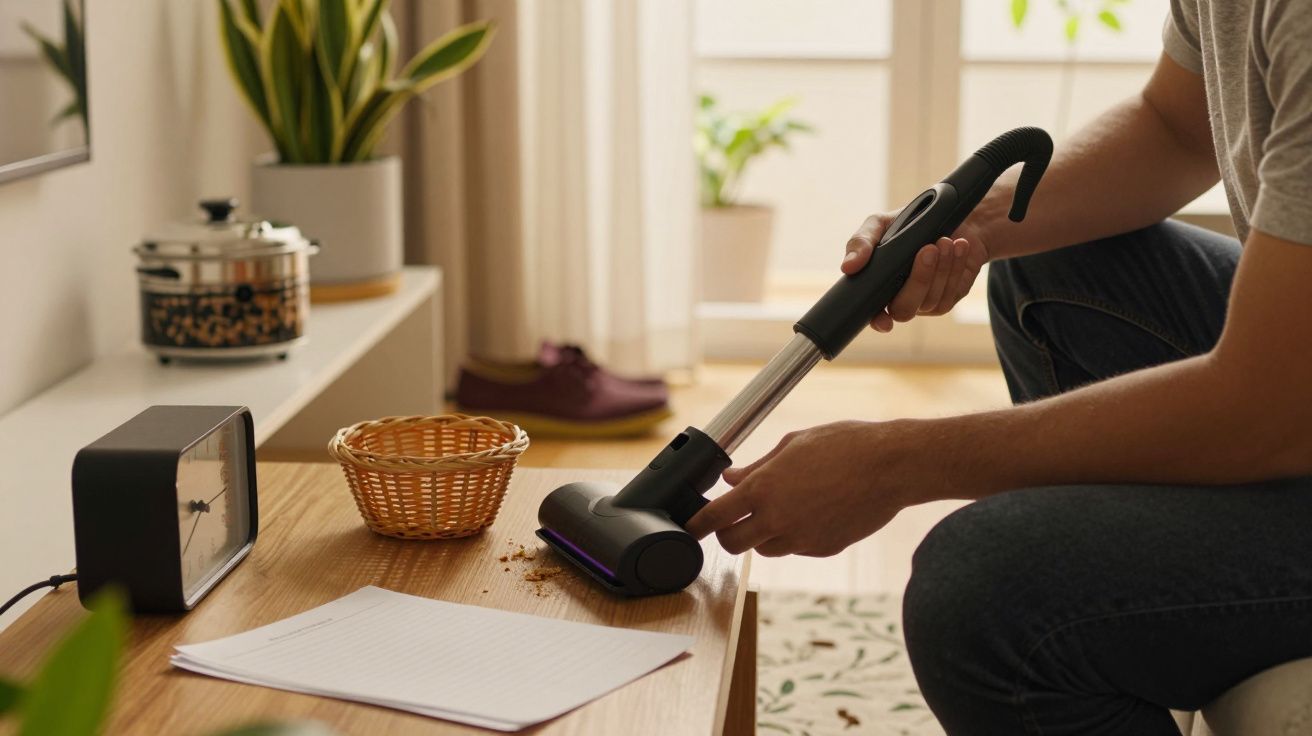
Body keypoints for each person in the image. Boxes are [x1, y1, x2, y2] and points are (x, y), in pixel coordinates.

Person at [685, 2, 1312, 733]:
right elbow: (1177, 126)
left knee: (984, 592)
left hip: (1281, 403)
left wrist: (894, 463)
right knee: (1044, 254)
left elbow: (1264, 410)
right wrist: (975, 226)